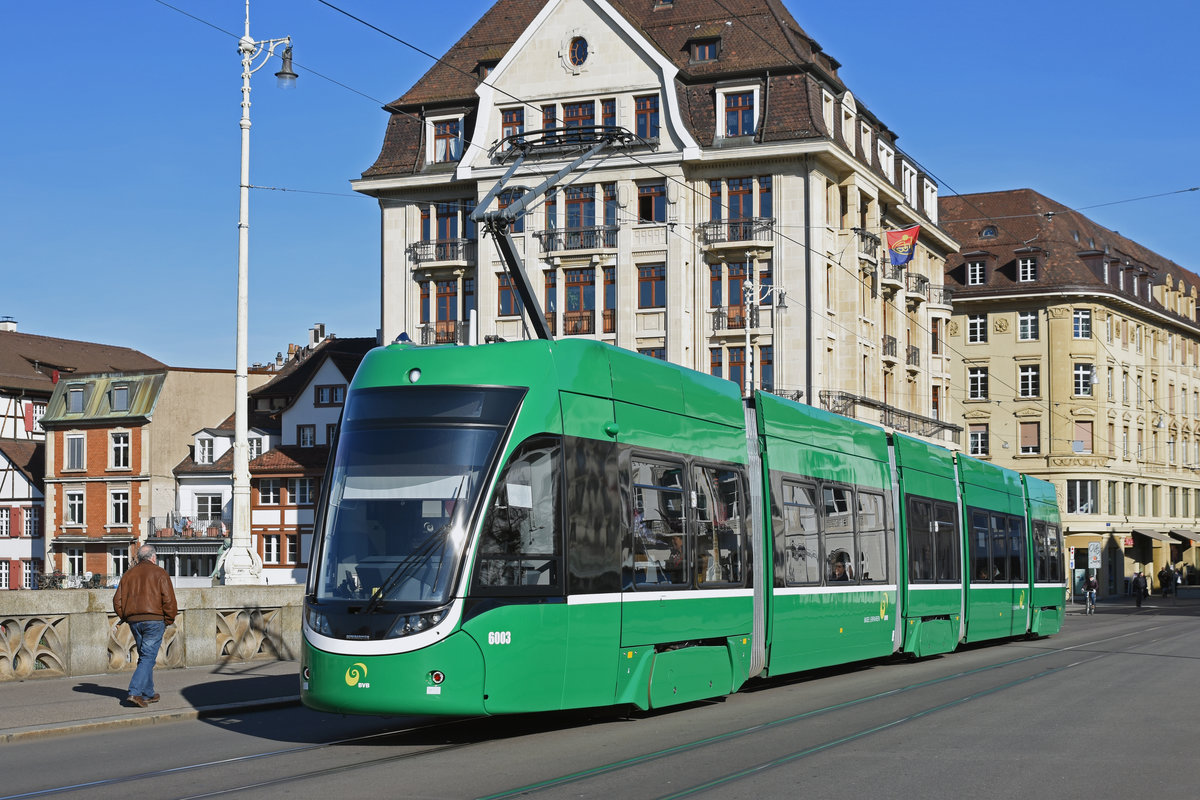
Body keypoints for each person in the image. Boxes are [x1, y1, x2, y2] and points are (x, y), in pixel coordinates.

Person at [113, 544, 178, 708]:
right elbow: (169, 600)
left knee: (144, 657)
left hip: (135, 621)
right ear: (153, 557)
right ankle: (135, 692)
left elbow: (117, 601)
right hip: (154, 620)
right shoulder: (160, 573)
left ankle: (148, 693)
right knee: (148, 657)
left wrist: (126, 616)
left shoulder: (128, 574)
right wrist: (168, 620)